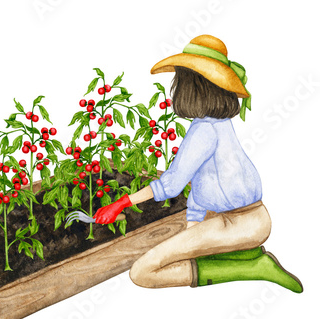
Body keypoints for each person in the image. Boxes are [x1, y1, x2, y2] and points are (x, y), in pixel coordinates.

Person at [93, 35, 303, 293]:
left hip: (240, 224)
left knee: (142, 272)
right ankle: (245, 258)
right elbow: (203, 187)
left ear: (194, 85)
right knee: (181, 253)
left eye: (181, 79)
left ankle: (253, 267)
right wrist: (191, 231)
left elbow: (171, 184)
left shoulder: (204, 130)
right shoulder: (217, 125)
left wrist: (121, 203)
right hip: (249, 219)